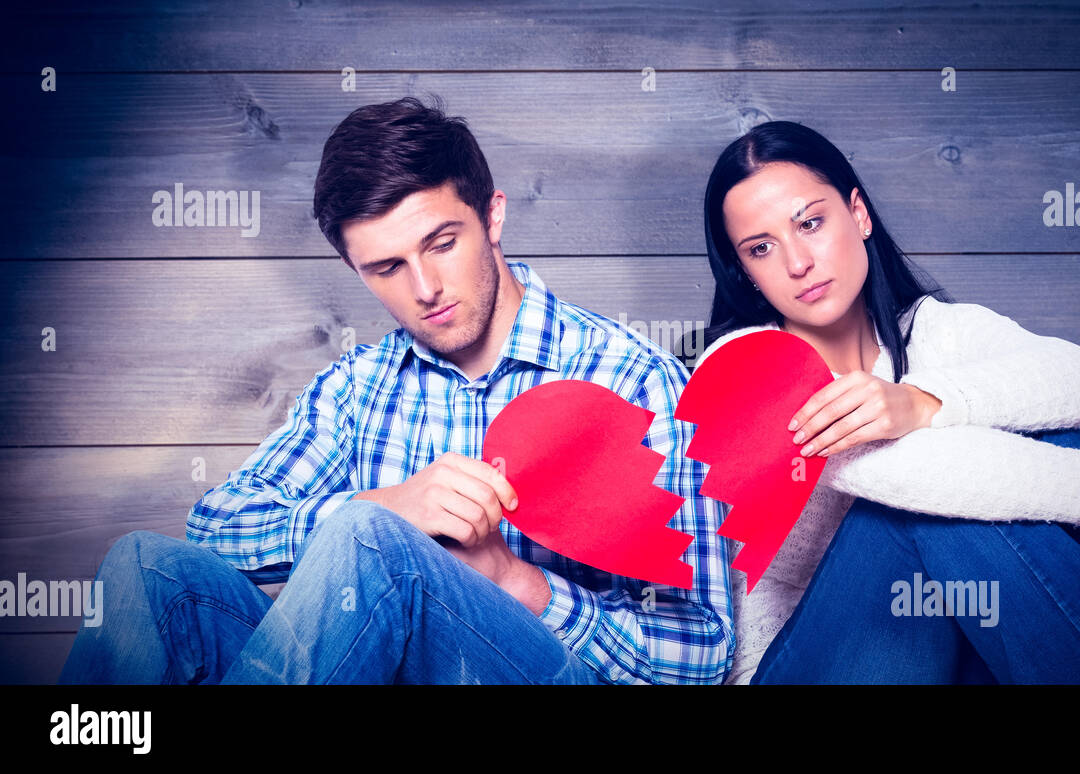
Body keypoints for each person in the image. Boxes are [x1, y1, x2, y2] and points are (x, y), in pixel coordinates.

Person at [58, 96, 733, 685]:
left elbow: (704, 650)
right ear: (357, 272)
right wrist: (391, 505)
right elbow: (215, 526)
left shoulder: (629, 377)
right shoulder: (359, 385)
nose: (424, 288)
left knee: (369, 538)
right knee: (148, 571)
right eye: (386, 267)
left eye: (442, 243)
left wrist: (515, 581)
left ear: (492, 217)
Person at [692, 120, 1080, 685]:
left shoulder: (934, 330)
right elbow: (913, 478)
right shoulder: (744, 365)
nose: (798, 262)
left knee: (1038, 436)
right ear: (746, 274)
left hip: (938, 655)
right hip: (803, 665)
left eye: (810, 222)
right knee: (935, 503)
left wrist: (923, 402)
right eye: (762, 248)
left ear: (859, 214)